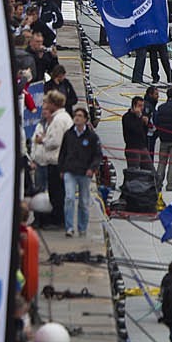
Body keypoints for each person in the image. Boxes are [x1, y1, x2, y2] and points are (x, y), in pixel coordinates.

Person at [58, 106, 102, 237]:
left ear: (85, 119)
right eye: (75, 115)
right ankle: (69, 227)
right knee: (70, 198)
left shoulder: (92, 137)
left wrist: (92, 168)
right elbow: (63, 153)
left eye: (80, 116)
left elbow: (97, 155)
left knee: (83, 202)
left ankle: (82, 227)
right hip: (70, 171)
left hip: (84, 173)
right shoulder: (68, 135)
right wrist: (61, 168)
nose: (77, 118)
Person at [31, 95, 74, 228]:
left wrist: (43, 140)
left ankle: (58, 220)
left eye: (47, 102)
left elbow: (54, 141)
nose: (44, 105)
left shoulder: (58, 120)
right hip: (57, 161)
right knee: (56, 193)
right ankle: (56, 219)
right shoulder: (63, 117)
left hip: (56, 162)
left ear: (53, 103)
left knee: (57, 194)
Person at [121, 96, 153, 175]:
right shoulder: (127, 117)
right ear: (134, 106)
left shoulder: (142, 116)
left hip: (142, 146)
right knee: (134, 172)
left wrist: (146, 123)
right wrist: (139, 118)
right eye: (139, 106)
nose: (142, 108)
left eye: (143, 105)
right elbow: (135, 130)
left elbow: (145, 132)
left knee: (150, 169)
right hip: (132, 148)